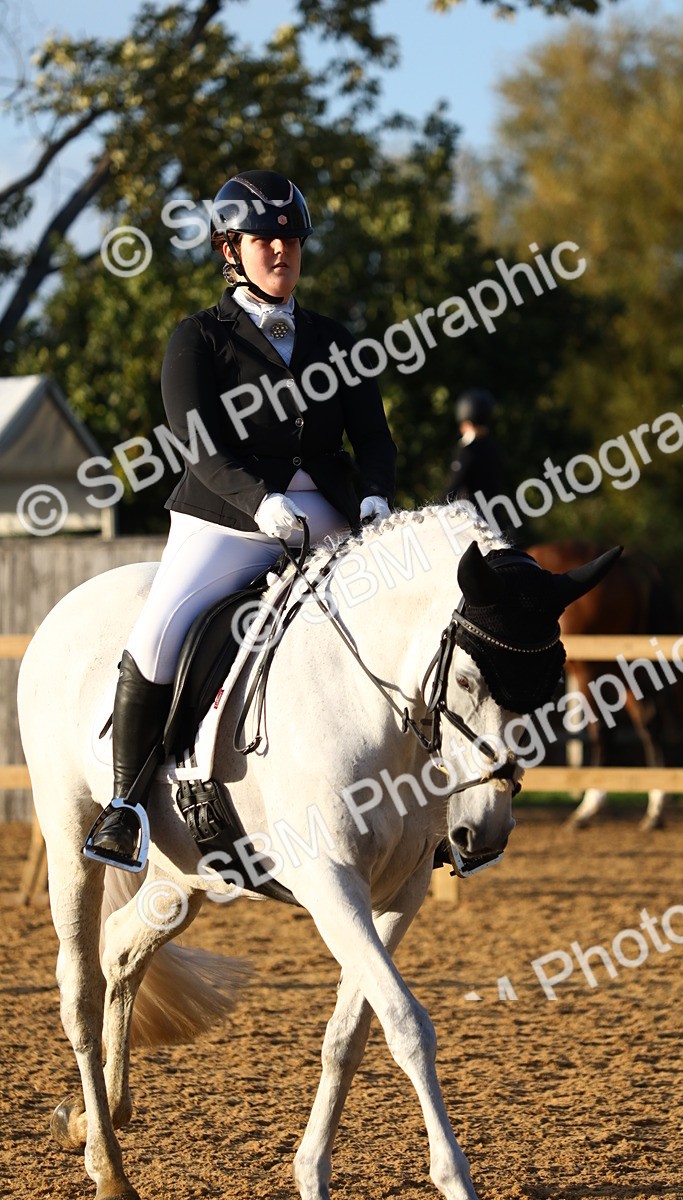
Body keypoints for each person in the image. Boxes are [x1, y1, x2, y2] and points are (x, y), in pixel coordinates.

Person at [83, 169, 397, 871]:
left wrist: (376, 495)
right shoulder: (197, 338)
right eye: (264, 240)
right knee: (158, 633)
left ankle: (433, 802)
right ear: (230, 250)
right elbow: (197, 442)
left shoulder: (335, 338)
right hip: (226, 517)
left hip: (328, 515)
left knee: (405, 616)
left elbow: (374, 438)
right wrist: (259, 501)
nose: (282, 251)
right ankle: (126, 806)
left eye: (292, 241)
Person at [441, 387, 507, 506]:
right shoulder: (495, 449)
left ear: (467, 421)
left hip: (470, 514)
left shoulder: (467, 451)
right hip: (492, 515)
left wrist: (434, 509)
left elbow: (452, 488)